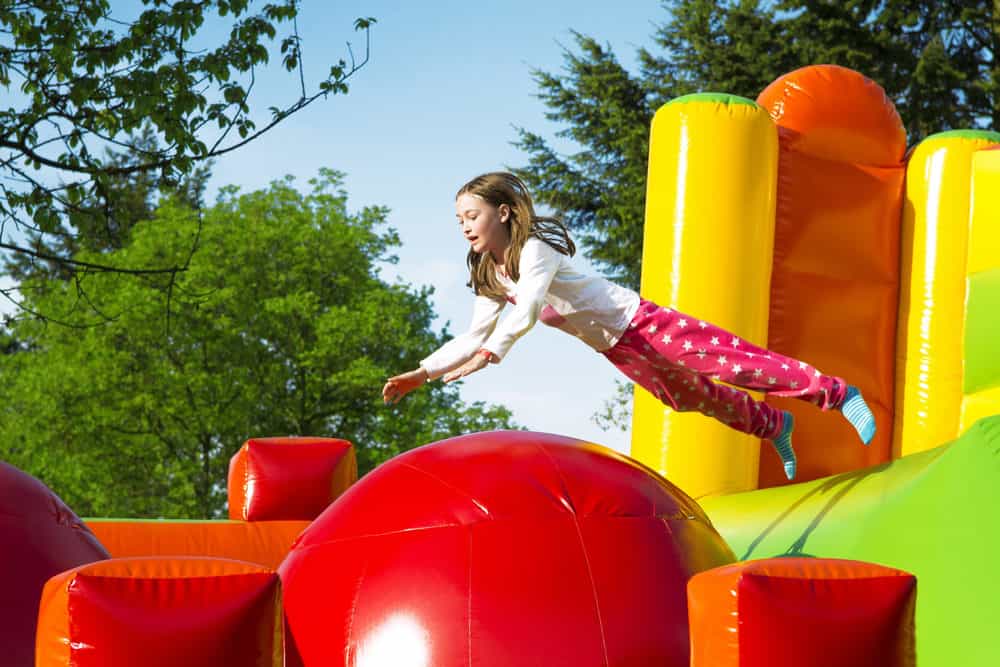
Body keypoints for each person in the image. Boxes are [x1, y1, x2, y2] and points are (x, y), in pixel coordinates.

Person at [381, 172, 876, 480]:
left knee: (732, 365)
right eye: (459, 220)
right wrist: (420, 373)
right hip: (616, 348)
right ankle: (772, 424)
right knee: (687, 397)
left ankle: (835, 392)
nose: (465, 226)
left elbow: (528, 307)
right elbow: (473, 334)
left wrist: (494, 354)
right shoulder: (491, 272)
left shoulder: (534, 250)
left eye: (472, 215)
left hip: (641, 322)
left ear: (503, 212)